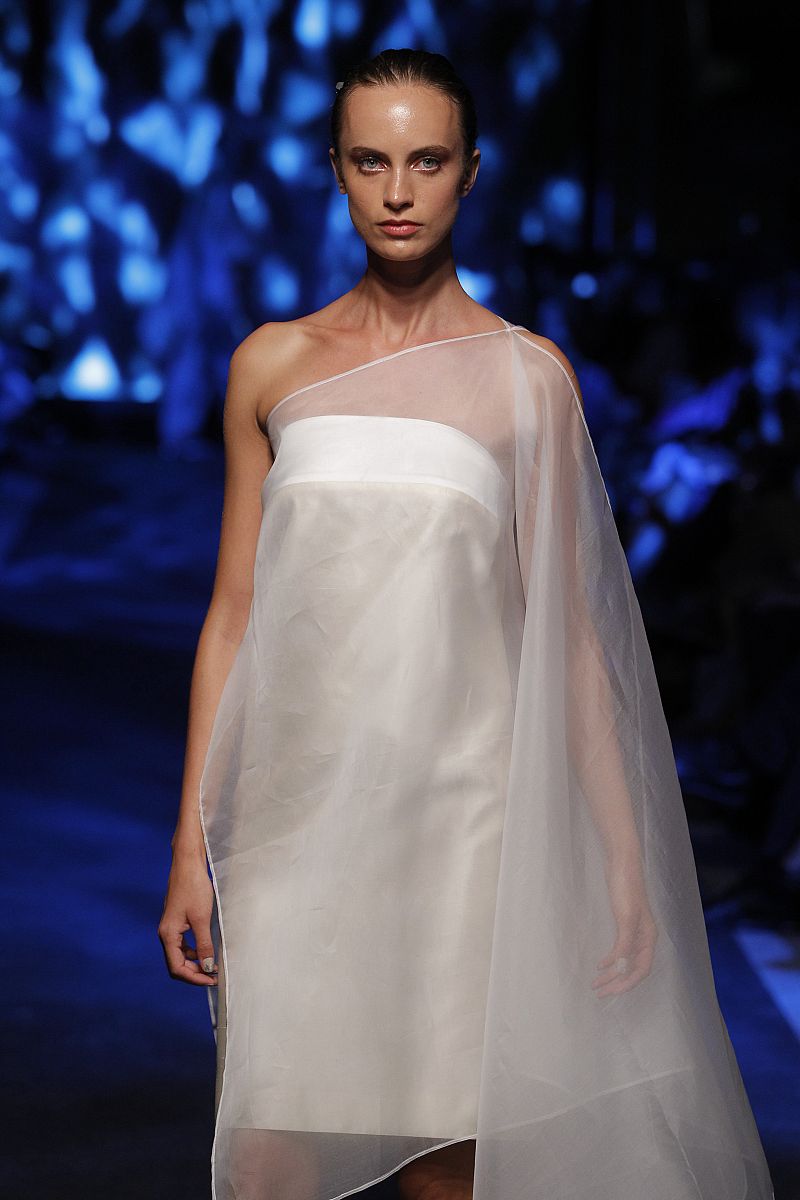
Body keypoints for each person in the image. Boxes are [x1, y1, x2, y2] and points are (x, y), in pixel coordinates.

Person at [159, 48, 775, 1200]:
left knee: (446, 1170)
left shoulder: (527, 379)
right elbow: (233, 613)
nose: (398, 191)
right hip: (291, 824)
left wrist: (622, 860)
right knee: (269, 1162)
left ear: (470, 173)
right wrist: (193, 846)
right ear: (335, 171)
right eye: (370, 161)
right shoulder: (270, 365)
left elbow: (572, 640)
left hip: (461, 830)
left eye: (426, 161)